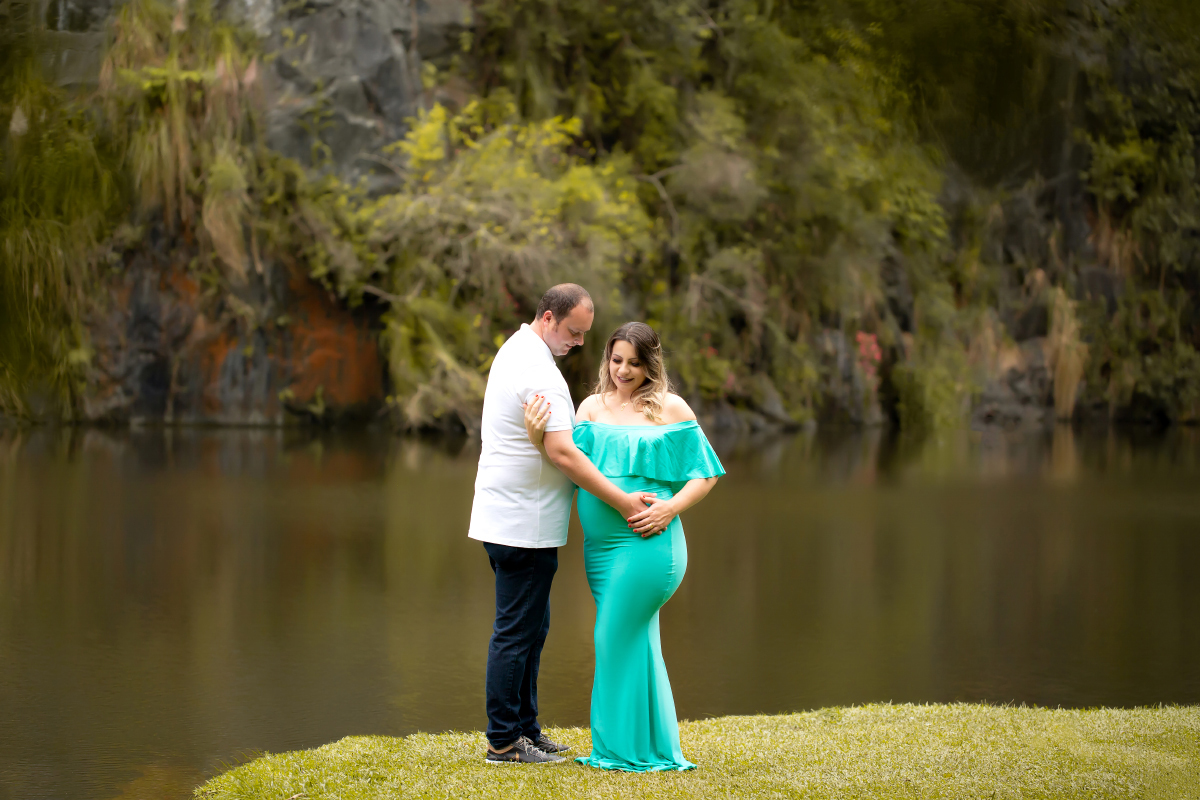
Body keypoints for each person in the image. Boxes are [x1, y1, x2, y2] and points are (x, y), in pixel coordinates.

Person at [524, 321, 725, 772]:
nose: (623, 370)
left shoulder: (670, 408)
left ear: (650, 364)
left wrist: (670, 508)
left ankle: (616, 751)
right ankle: (652, 747)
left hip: (649, 544)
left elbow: (706, 473)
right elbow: (568, 465)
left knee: (610, 636)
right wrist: (538, 438)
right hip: (602, 551)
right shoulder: (591, 407)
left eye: (634, 363)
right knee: (639, 642)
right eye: (617, 360)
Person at [468, 285, 650, 766]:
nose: (580, 342)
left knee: (533, 627)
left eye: (586, 334)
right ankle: (504, 741)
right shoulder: (536, 369)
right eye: (574, 331)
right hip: (522, 522)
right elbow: (563, 452)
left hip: (515, 517)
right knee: (516, 632)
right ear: (548, 318)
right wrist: (623, 501)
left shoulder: (520, 351)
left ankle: (526, 728)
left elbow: (550, 443)